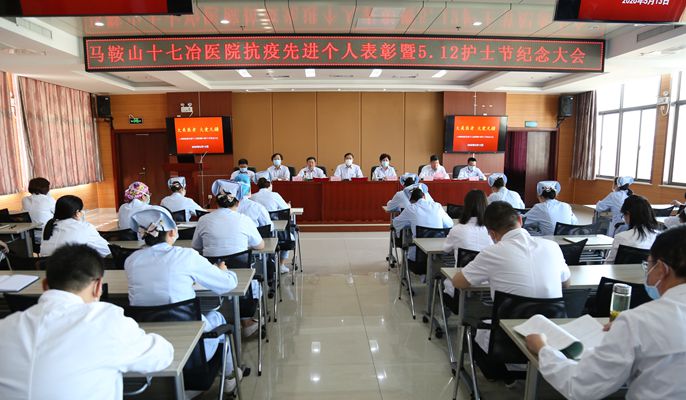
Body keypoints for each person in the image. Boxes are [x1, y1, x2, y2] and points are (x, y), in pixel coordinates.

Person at [526, 226, 686, 400]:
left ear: (661, 269)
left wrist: (543, 349)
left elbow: (579, 386)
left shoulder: (640, 321)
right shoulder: (640, 321)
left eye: (648, 265)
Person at [0, 244, 173, 400]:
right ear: (98, 287)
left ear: (45, 285)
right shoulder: (106, 322)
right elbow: (161, 356)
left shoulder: (5, 326)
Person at [124, 207, 243, 390]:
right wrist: (224, 271)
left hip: (149, 346)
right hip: (192, 349)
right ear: (172, 232)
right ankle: (230, 376)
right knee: (218, 318)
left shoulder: (131, 260)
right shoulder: (185, 256)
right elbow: (227, 284)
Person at [451, 201, 570, 380]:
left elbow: (458, 282)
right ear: (520, 220)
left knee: (473, 327)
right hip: (552, 339)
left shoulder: (492, 252)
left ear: (491, 234)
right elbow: (566, 283)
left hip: (506, 344)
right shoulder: (552, 246)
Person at [192, 180, 265, 337]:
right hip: (240, 274)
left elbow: (196, 247)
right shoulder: (244, 219)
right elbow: (260, 246)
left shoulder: (203, 220)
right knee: (253, 277)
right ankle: (246, 321)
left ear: (216, 201)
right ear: (238, 202)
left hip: (211, 276)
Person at [442, 190, 494, 296]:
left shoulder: (457, 229)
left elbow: (446, 249)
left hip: (461, 286)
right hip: (488, 288)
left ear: (465, 206)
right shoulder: (493, 231)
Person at [392, 188, 453, 263]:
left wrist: (409, 223)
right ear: (424, 196)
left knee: (408, 246)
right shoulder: (437, 206)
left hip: (419, 256)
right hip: (438, 254)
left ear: (411, 201)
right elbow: (450, 224)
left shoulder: (411, 208)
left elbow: (396, 223)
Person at [40, 195, 111, 257]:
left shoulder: (48, 225)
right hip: (71, 266)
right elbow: (106, 250)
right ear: (77, 212)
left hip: (45, 266)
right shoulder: (85, 227)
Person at [251, 175, 292, 274]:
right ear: (269, 185)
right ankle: (281, 265)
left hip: (259, 232)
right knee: (291, 237)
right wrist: (289, 205)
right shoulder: (275, 195)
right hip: (277, 230)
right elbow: (286, 210)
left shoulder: (252, 197)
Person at [605, 195, 659, 264]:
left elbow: (609, 263)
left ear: (628, 214)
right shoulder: (659, 237)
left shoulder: (621, 237)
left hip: (622, 271)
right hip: (648, 270)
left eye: (624, 215)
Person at [21, 177, 56, 244]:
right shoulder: (48, 200)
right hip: (47, 234)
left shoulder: (25, 200)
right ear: (45, 188)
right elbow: (59, 213)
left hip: (32, 235)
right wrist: (48, 195)